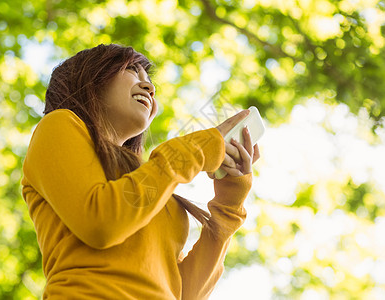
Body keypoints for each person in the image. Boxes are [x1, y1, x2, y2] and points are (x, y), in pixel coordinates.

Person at [21, 43, 260, 299]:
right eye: (133, 71)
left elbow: (184, 292)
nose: (150, 87)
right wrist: (195, 149)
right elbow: (100, 222)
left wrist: (229, 204)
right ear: (92, 77)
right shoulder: (57, 126)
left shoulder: (149, 180)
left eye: (149, 81)